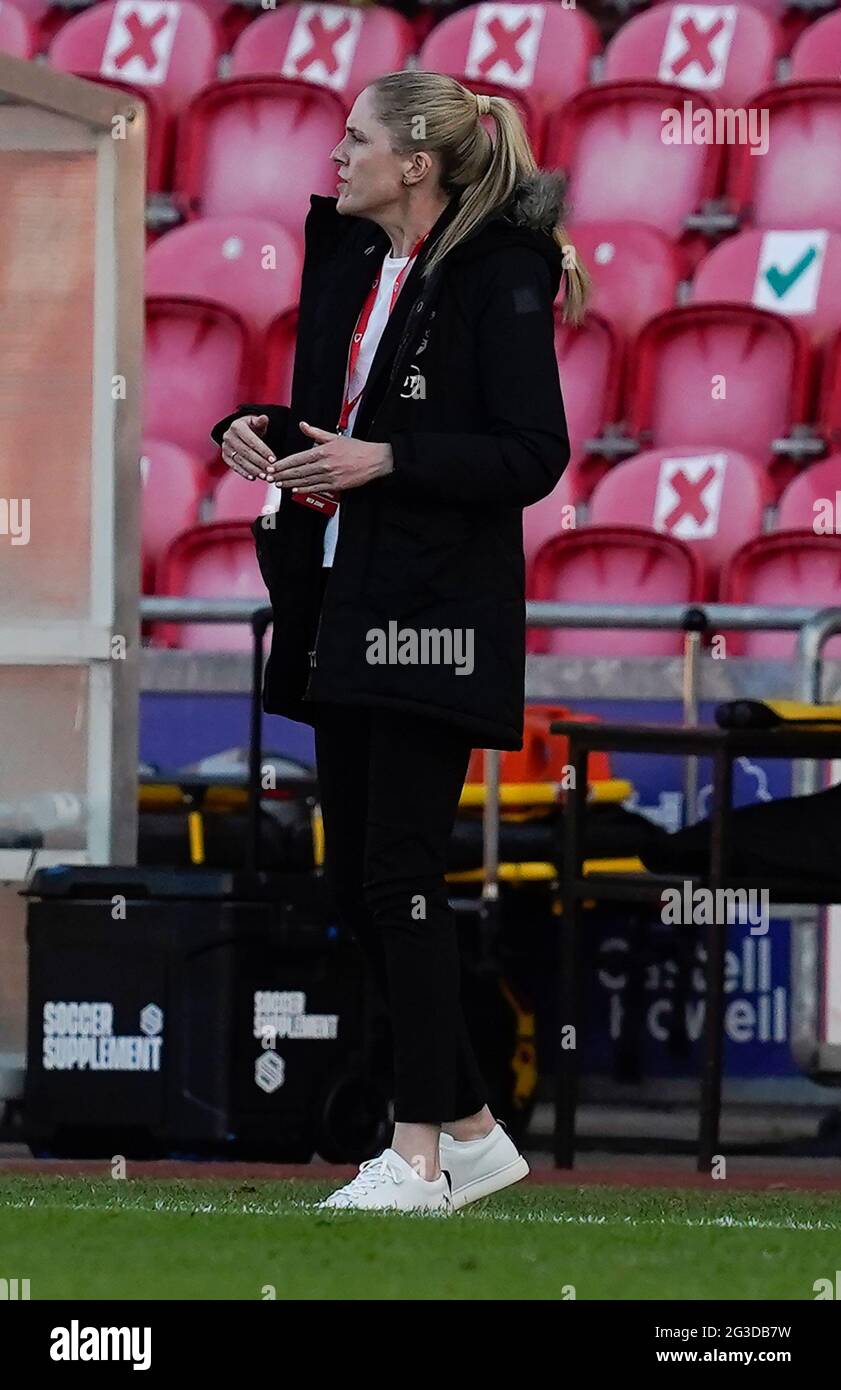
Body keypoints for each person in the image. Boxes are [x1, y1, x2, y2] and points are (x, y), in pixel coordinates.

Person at [210, 70, 586, 1212]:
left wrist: (387, 464)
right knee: (356, 876)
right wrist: (261, 431)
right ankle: (468, 1129)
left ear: (416, 164)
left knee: (398, 876)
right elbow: (351, 425)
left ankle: (416, 1154)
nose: (334, 157)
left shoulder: (499, 274)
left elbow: (533, 453)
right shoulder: (359, 269)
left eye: (355, 139)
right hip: (343, 605)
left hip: (431, 616)